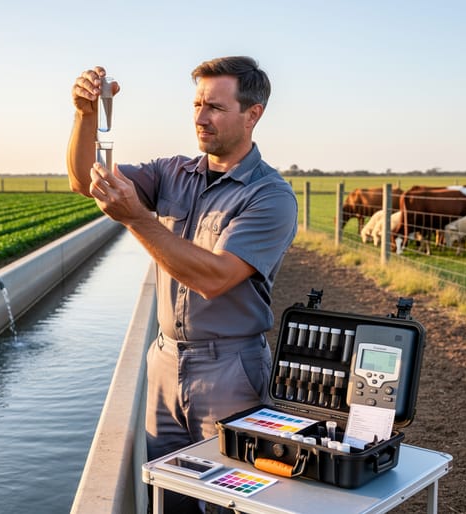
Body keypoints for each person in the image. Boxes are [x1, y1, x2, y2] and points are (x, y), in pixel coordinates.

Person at [67, 56, 297, 513]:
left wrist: (137, 218)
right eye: (196, 104)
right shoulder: (173, 172)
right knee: (169, 498)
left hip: (230, 369)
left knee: (232, 500)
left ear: (253, 114)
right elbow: (83, 180)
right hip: (166, 362)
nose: (200, 117)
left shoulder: (269, 195)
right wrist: (85, 114)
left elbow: (214, 278)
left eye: (214, 106)